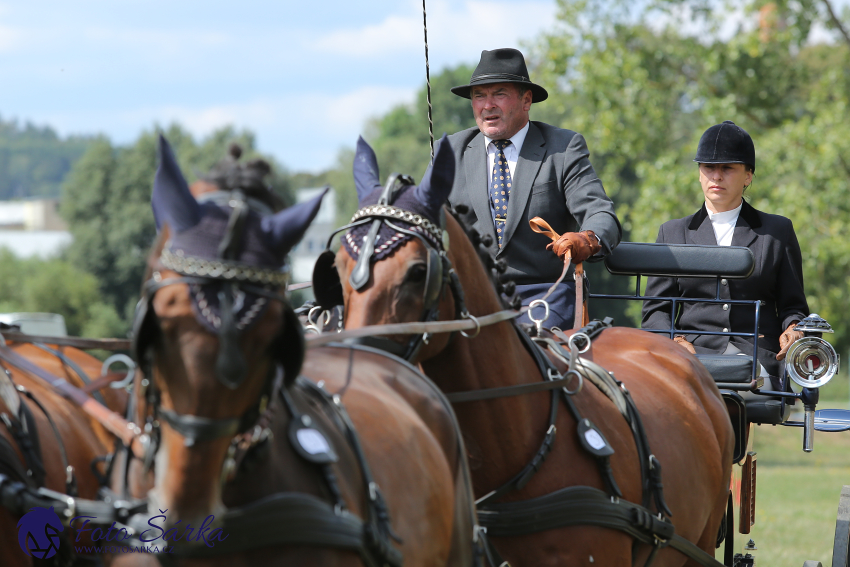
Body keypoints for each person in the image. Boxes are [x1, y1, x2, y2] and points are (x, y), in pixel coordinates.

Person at [445, 48, 622, 328]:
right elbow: (421, 220)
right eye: (479, 95)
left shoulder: (563, 148)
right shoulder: (450, 151)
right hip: (468, 298)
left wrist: (587, 240)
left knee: (528, 352)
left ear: (526, 100)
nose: (487, 105)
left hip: (542, 295)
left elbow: (601, 213)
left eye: (499, 93)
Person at [641, 120, 809, 382]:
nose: (716, 176)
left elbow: (793, 307)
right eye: (709, 167)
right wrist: (676, 340)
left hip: (756, 354)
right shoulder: (672, 233)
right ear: (699, 173)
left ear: (748, 176)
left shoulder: (777, 231)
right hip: (693, 353)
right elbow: (655, 312)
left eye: (727, 168)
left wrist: (794, 329)